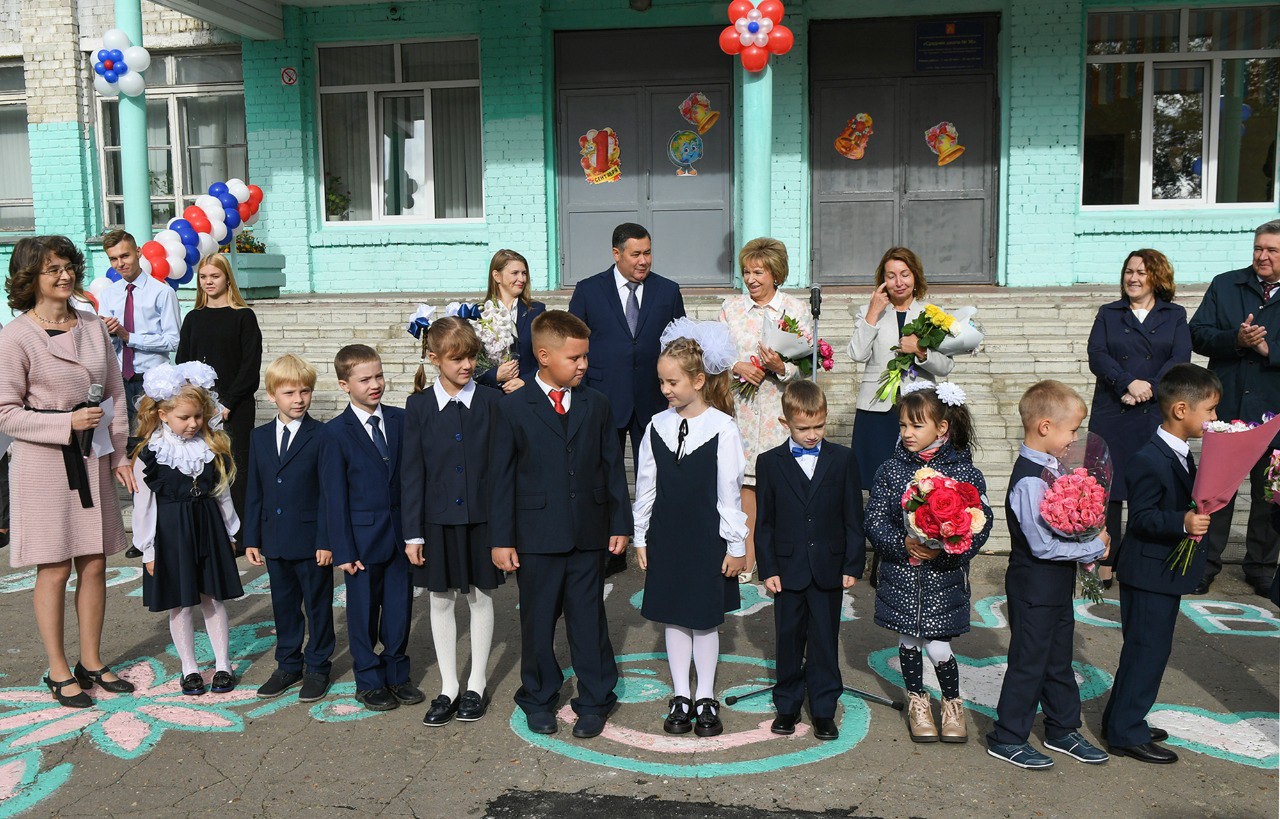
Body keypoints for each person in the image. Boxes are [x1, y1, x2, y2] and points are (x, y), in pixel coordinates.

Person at [0, 235, 137, 707]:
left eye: (68, 267)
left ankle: (92, 662)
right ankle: (58, 669)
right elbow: (4, 414)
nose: (64, 276)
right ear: (29, 279)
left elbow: (115, 393)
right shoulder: (15, 336)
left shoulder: (94, 327)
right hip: (42, 466)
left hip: (92, 459)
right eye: (52, 269)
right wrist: (64, 423)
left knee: (95, 562)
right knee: (55, 567)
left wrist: (120, 453)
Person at [488, 310, 631, 739]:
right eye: (575, 358)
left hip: (588, 532)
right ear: (543, 355)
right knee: (537, 620)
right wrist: (501, 539)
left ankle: (595, 698)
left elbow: (612, 468)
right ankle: (537, 694)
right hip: (535, 537)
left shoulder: (597, 403)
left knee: (589, 620)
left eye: (586, 356)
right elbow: (500, 477)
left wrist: (619, 523)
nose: (583, 365)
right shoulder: (512, 407)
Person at [987, 380, 1111, 770]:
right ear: (1045, 427)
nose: (1075, 438)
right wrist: (1093, 546)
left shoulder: (1055, 468)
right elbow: (1042, 546)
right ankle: (1007, 736)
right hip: (1033, 583)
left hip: (1056, 584)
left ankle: (1062, 728)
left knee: (1058, 657)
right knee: (1029, 659)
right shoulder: (1029, 480)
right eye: (1071, 430)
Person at [632, 320, 746, 738]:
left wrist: (736, 545)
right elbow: (646, 484)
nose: (666, 389)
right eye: (661, 381)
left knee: (703, 620)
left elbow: (729, 493)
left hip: (705, 537)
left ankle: (706, 696)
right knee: (673, 618)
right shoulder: (655, 426)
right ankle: (681, 694)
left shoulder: (723, 428)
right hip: (667, 534)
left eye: (673, 382)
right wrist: (640, 535)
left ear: (699, 380)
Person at [1102, 364, 1219, 765]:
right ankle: (1124, 732)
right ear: (1182, 410)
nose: (1214, 419)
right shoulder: (1149, 458)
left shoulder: (1180, 454)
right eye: (1211, 411)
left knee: (1147, 651)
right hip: (1149, 573)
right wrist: (1182, 522)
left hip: (1161, 572)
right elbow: (1141, 519)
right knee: (1146, 652)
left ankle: (1122, 718)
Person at [865, 383, 991, 744]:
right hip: (902, 574)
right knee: (908, 642)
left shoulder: (964, 472)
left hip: (942, 578)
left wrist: (951, 546)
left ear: (942, 428)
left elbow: (981, 522)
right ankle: (917, 702)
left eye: (916, 426)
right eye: (903, 425)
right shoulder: (890, 470)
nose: (907, 433)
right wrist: (901, 543)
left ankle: (952, 702)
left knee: (938, 646)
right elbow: (874, 520)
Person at [403, 317, 504, 727]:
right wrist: (413, 532)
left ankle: (476, 682)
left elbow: (501, 470)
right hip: (436, 522)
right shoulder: (419, 405)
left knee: (480, 596)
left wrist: (503, 530)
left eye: (472, 357)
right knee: (440, 599)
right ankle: (448, 686)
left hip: (482, 520)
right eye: (457, 358)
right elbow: (411, 472)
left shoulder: (493, 402)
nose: (467, 365)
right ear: (434, 359)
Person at [568, 223, 685, 576]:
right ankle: (611, 549)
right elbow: (574, 345)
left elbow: (679, 345)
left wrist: (676, 392)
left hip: (655, 399)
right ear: (616, 253)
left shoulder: (667, 290)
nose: (643, 260)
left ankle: (661, 543)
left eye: (648, 252)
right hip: (603, 399)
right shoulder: (589, 291)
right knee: (606, 475)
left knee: (661, 473)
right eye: (635, 254)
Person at [754, 380, 864, 741]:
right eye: (804, 428)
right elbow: (765, 521)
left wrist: (852, 564)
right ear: (786, 423)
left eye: (819, 426)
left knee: (824, 640)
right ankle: (786, 705)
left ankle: (823, 709)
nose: (812, 434)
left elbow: (852, 516)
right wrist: (767, 567)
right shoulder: (769, 463)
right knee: (788, 638)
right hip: (786, 570)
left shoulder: (843, 459)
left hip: (828, 568)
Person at [321, 344, 423, 713]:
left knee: (398, 610)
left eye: (378, 376)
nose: (375, 384)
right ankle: (368, 679)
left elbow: (411, 479)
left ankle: (398, 674)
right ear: (344, 385)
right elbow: (334, 496)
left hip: (400, 537)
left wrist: (416, 533)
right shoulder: (335, 433)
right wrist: (343, 549)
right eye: (365, 379)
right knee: (362, 613)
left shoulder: (399, 420)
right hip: (361, 542)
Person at [131, 363, 243, 695]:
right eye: (184, 418)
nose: (193, 423)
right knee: (180, 602)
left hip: (208, 527)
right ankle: (189, 668)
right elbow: (144, 507)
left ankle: (222, 663)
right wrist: (147, 548)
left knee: (212, 597)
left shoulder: (211, 447)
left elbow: (222, 493)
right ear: (163, 415)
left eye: (197, 416)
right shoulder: (150, 454)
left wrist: (232, 533)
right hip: (171, 533)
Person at [1087, 250, 1191, 586]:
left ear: (1157, 277)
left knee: (1151, 484)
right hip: (1113, 408)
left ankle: (1144, 554)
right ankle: (1107, 557)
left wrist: (1151, 388)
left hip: (1153, 410)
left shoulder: (1174, 314)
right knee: (1109, 486)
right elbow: (1097, 353)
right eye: (1128, 271)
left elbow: (1180, 356)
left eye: (1141, 272)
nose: (1133, 278)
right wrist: (1126, 382)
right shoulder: (1109, 313)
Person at [1187, 219, 1280, 596]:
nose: (1262, 256)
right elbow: (1198, 333)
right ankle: (1204, 564)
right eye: (1258, 248)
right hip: (1226, 407)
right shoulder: (1226, 284)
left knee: (1268, 495)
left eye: (1272, 251)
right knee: (1215, 490)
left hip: (1273, 412)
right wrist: (1236, 339)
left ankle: (1259, 567)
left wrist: (1268, 350)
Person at [242, 354, 335, 703]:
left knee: (318, 606)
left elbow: (329, 493)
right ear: (271, 396)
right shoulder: (259, 437)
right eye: (289, 393)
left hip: (312, 542)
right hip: (275, 539)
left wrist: (327, 540)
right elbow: (256, 489)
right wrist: (252, 536)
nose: (298, 399)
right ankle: (288, 664)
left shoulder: (323, 435)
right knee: (283, 606)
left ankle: (318, 666)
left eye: (305, 391)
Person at [719, 238, 812, 582]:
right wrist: (737, 367)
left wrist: (781, 367)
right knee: (745, 484)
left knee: (782, 485)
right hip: (741, 409)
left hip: (779, 409)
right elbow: (716, 356)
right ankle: (747, 556)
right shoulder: (731, 308)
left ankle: (783, 557)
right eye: (747, 271)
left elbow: (809, 365)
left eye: (759, 271)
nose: (752, 278)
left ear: (775, 274)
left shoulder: (796, 310)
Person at [100, 230, 181, 558]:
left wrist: (129, 335)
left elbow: (172, 340)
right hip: (120, 378)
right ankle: (142, 533)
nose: (121, 263)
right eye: (114, 259)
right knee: (129, 454)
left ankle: (166, 528)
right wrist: (109, 336)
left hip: (152, 382)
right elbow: (106, 339)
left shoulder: (161, 293)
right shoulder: (110, 294)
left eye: (125, 256)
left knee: (156, 452)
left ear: (138, 254)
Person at [848, 248, 956, 491]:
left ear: (915, 276)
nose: (899, 282)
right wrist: (873, 313)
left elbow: (946, 364)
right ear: (882, 280)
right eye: (891, 276)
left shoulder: (932, 315)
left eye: (905, 274)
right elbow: (857, 354)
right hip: (877, 408)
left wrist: (921, 351)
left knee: (919, 479)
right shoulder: (868, 312)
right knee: (874, 479)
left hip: (919, 408)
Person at [177, 254, 263, 523]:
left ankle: (242, 531)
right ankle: (211, 526)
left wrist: (227, 403)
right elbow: (183, 361)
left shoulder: (244, 317)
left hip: (235, 407)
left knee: (237, 467)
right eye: (203, 277)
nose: (208, 282)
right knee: (202, 466)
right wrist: (196, 400)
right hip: (200, 407)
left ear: (227, 279)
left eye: (214, 276)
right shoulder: (193, 318)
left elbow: (250, 366)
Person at [475, 249, 546, 395]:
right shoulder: (479, 313)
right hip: (491, 396)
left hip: (527, 395)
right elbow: (470, 361)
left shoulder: (536, 311)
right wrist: (494, 375)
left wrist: (526, 381)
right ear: (496, 276)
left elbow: (548, 355)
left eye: (524, 273)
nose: (522, 279)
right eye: (515, 273)